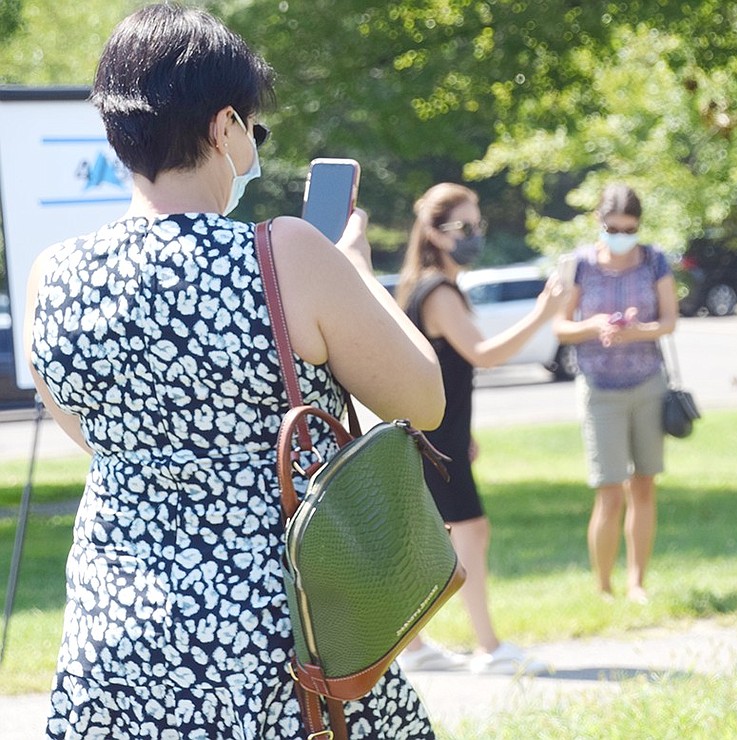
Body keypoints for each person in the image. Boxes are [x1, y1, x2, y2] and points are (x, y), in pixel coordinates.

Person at [24, 5, 445, 737]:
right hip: (276, 633)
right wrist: (353, 271)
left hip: (115, 624)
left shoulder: (53, 276)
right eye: (254, 129)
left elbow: (90, 434)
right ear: (223, 127)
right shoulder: (285, 252)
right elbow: (423, 397)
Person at [393, 182, 565, 675]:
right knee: (469, 535)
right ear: (434, 231)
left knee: (429, 542)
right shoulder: (439, 290)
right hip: (433, 440)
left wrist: (463, 433)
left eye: (477, 225)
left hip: (436, 437)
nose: (472, 235)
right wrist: (543, 314)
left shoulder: (429, 284)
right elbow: (482, 355)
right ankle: (489, 649)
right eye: (462, 227)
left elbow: (442, 369)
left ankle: (416, 646)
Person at [552, 183, 679, 604]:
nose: (622, 234)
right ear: (599, 222)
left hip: (647, 382)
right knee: (609, 490)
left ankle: (637, 582)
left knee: (643, 485)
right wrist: (597, 327)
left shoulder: (655, 260)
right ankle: (604, 587)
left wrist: (633, 330)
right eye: (614, 226)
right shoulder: (581, 266)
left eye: (629, 227)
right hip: (599, 387)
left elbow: (667, 322)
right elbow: (561, 327)